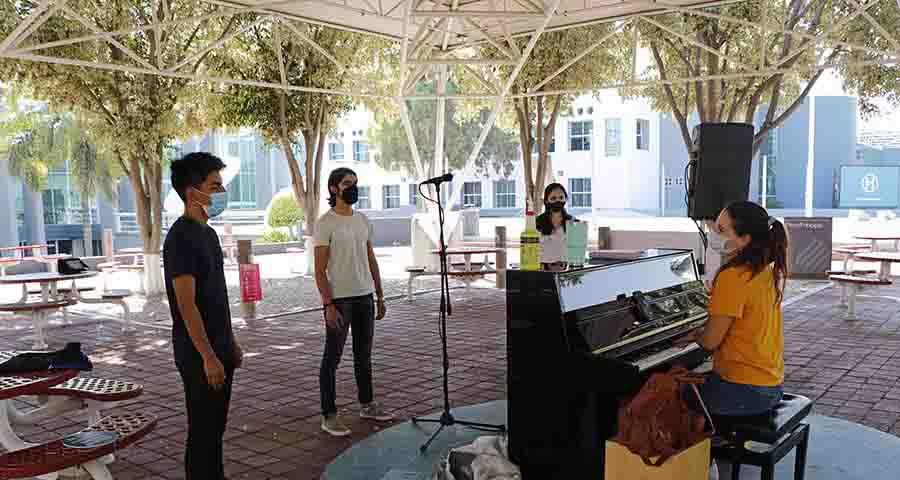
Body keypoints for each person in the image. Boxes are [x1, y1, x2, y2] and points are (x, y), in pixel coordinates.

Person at [164, 152, 243, 479]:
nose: (221, 192)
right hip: (199, 354)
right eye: (214, 185)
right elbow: (187, 305)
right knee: (203, 433)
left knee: (215, 431)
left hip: (219, 348)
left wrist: (230, 344)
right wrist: (208, 356)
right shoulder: (181, 237)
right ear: (191, 191)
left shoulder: (208, 234)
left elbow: (215, 299)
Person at [678, 201, 787, 417]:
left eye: (721, 230)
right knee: (687, 378)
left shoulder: (732, 276)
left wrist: (692, 334)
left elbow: (710, 341)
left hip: (743, 391)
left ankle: (709, 447)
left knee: (663, 393)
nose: (713, 234)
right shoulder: (764, 270)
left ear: (744, 240)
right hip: (769, 385)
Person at [315, 167, 393, 437]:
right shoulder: (326, 223)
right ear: (334, 188)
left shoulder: (362, 220)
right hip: (340, 300)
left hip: (364, 297)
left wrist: (380, 294)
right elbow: (319, 270)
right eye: (348, 183)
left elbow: (371, 259)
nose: (353, 188)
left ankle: (367, 404)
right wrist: (328, 304)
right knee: (332, 358)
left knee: (364, 356)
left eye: (355, 183)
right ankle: (329, 415)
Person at [536, 183, 577, 271]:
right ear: (546, 200)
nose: (558, 201)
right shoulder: (538, 221)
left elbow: (576, 250)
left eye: (561, 198)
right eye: (553, 198)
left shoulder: (572, 222)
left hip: (565, 270)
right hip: (542, 269)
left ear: (566, 199)